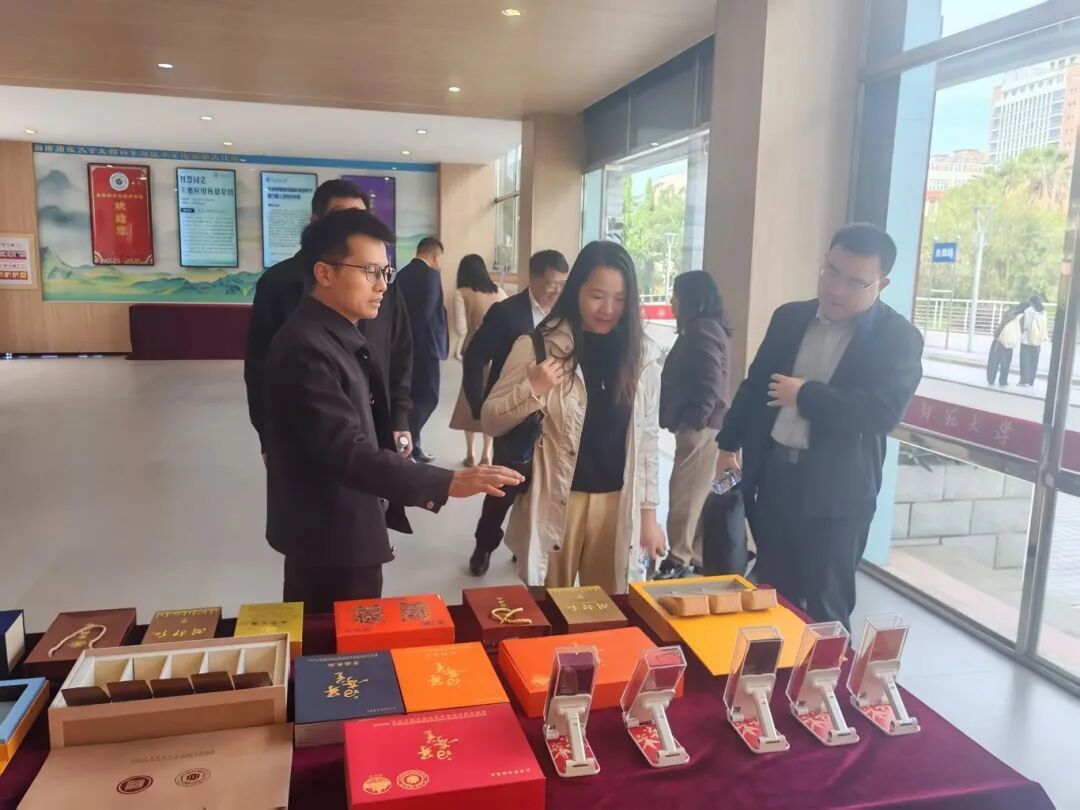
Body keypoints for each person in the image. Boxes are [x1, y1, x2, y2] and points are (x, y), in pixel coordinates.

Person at [262, 209, 523, 611]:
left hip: (345, 522)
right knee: (337, 638)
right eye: (369, 271)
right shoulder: (307, 349)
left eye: (386, 272)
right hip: (331, 534)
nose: (382, 284)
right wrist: (445, 481)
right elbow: (346, 452)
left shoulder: (335, 334)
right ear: (324, 273)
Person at [715, 223, 923, 629]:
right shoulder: (790, 318)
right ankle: (771, 668)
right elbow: (755, 385)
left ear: (881, 284)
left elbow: (881, 412)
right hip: (775, 479)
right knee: (771, 596)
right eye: (831, 272)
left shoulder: (898, 339)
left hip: (838, 497)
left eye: (855, 282)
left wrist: (807, 395)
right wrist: (727, 445)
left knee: (826, 608)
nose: (836, 290)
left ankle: (824, 672)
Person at [482, 241, 666, 595]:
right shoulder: (538, 347)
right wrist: (533, 388)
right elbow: (491, 419)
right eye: (597, 295)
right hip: (557, 499)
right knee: (551, 607)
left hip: (616, 504)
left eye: (620, 299)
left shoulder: (641, 356)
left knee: (609, 609)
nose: (608, 309)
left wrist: (649, 516)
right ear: (576, 289)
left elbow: (647, 438)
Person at [245, 179, 415, 461]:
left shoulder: (384, 285)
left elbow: (400, 350)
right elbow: (258, 368)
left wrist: (399, 416)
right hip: (313, 440)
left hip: (376, 424)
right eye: (343, 218)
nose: (381, 284)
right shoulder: (282, 290)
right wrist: (267, 437)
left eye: (360, 217)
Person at [463, 249, 569, 576]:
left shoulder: (566, 317)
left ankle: (523, 546)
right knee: (503, 490)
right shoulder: (506, 313)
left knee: (540, 491)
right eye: (550, 283)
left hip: (553, 422)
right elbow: (475, 356)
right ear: (532, 279)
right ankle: (483, 547)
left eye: (562, 284)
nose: (556, 291)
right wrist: (479, 405)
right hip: (513, 417)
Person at [657, 271, 731, 578]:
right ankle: (694, 556)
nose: (672, 301)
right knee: (697, 492)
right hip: (704, 427)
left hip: (702, 429)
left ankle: (678, 557)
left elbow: (709, 383)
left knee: (685, 493)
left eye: (676, 294)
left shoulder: (702, 330)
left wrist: (696, 421)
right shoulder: (702, 328)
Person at [449, 254, 507, 467]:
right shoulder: (500, 292)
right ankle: (487, 454)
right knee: (491, 397)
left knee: (470, 399)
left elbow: (461, 328)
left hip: (474, 352)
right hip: (497, 352)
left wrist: (459, 350)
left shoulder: (461, 293)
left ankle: (470, 454)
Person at [396, 237, 448, 463]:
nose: (440, 263)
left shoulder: (403, 274)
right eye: (441, 258)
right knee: (429, 397)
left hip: (407, 347)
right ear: (435, 256)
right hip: (425, 348)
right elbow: (424, 313)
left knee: (413, 396)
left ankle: (413, 446)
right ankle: (408, 444)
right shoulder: (431, 276)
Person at [987, 305, 1023, 387]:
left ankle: (991, 379)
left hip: (998, 342)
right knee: (1006, 363)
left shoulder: (1007, 316)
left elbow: (998, 331)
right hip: (1009, 344)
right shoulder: (1016, 320)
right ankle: (1003, 381)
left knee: (994, 362)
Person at [1019, 294, 1048, 387]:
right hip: (1038, 340)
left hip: (1027, 339)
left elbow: (1026, 325)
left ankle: (1024, 381)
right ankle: (1031, 381)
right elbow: (1044, 326)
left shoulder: (1028, 311)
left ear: (1031, 302)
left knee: (1025, 360)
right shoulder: (1043, 313)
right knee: (1034, 361)